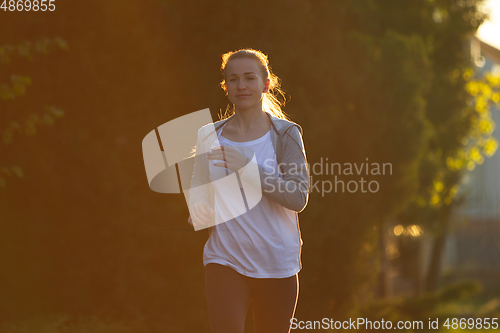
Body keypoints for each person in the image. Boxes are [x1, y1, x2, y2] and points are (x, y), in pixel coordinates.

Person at [188, 48, 310, 333]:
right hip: (224, 258)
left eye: (249, 78)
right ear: (225, 87)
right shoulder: (209, 135)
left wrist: (249, 169)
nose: (241, 85)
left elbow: (298, 197)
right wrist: (199, 210)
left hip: (277, 262)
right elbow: (199, 193)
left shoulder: (285, 134)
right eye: (233, 79)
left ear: (265, 84)